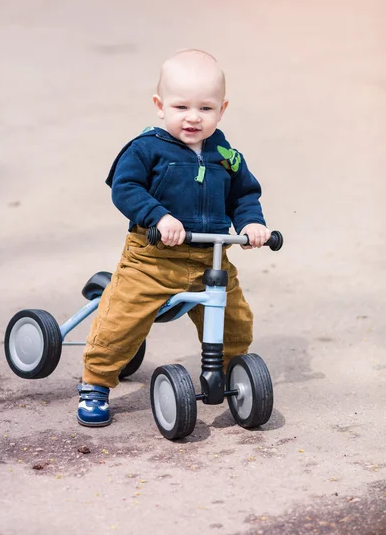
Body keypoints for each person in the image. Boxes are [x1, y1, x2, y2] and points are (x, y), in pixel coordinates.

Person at [77, 49, 271, 427]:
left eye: (206, 108)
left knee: (235, 320)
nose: (193, 117)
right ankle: (96, 384)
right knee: (121, 320)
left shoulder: (225, 154)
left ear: (222, 109)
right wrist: (159, 215)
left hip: (210, 259)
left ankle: (236, 373)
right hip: (152, 257)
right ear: (159, 105)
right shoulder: (146, 148)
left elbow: (244, 194)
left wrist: (251, 225)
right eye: (181, 106)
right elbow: (125, 187)